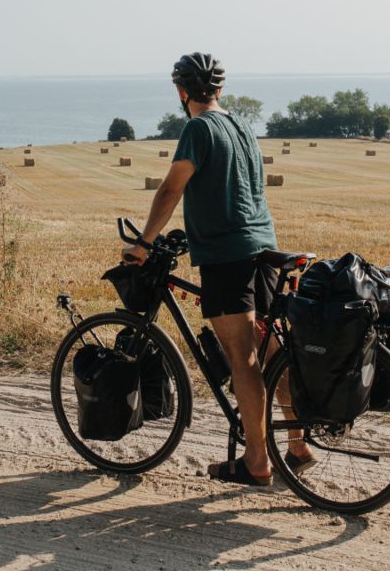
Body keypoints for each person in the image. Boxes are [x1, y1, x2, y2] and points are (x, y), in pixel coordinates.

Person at [122, 52, 314, 486]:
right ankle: (298, 445)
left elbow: (173, 187)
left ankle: (257, 463)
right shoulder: (242, 125)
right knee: (271, 353)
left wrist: (144, 242)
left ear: (181, 91)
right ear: (221, 90)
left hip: (228, 257)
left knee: (243, 358)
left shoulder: (198, 127)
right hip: (265, 247)